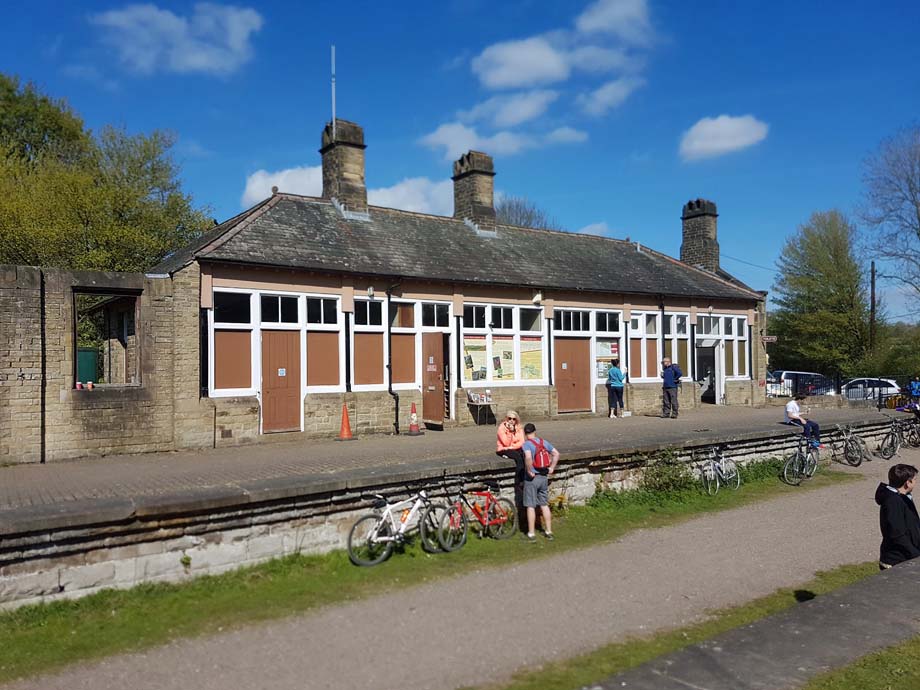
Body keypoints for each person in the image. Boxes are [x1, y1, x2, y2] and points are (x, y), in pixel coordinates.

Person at [876, 463, 920, 570]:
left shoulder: (903, 497)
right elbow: (897, 533)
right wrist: (915, 554)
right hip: (897, 560)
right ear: (908, 483)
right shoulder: (892, 502)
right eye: (914, 479)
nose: (916, 482)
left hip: (906, 556)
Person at [521, 422, 560, 542]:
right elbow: (556, 454)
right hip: (543, 477)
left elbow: (528, 457)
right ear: (535, 431)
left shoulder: (526, 445)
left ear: (525, 433)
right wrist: (552, 468)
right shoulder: (543, 442)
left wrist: (529, 470)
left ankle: (531, 533)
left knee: (531, 506)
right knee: (544, 504)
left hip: (532, 479)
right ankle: (548, 531)